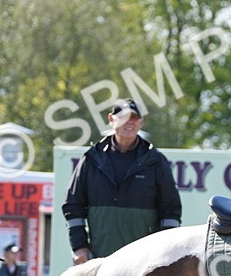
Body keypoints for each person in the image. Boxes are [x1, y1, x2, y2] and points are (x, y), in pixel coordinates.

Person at [63, 98, 182, 264]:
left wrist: (166, 251)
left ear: (141, 122)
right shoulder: (91, 159)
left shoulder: (155, 161)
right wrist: (79, 247)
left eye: (134, 118)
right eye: (124, 117)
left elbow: (171, 210)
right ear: (111, 119)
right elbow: (73, 206)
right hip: (98, 260)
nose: (129, 123)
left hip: (143, 263)